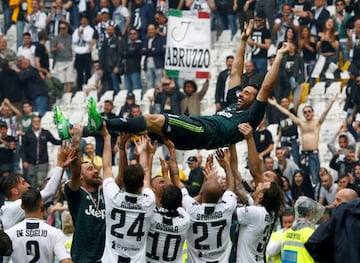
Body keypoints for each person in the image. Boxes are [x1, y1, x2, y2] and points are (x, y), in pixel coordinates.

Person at [58, 21, 290, 152]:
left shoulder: (250, 115)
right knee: (141, 129)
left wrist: (278, 56)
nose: (241, 94)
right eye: (242, 91)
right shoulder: (233, 102)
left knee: (153, 119)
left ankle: (103, 122)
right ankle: (73, 130)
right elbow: (235, 72)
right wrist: (242, 41)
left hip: (205, 131)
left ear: (255, 99)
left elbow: (267, 87)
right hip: (197, 137)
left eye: (247, 93)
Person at [171, 146, 237, 263]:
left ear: (202, 194)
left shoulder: (192, 209)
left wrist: (171, 149)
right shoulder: (227, 208)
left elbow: (177, 181)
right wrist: (227, 166)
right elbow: (231, 187)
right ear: (220, 195)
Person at [101, 128, 155, 262]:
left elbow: (107, 167)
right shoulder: (148, 202)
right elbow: (147, 174)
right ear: (141, 185)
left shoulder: (113, 196)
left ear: (122, 181)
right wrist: (143, 151)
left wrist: (108, 138)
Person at [267, 94, 338, 185]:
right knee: (304, 179)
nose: (307, 113)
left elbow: (325, 113)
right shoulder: (301, 123)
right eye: (305, 112)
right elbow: (288, 113)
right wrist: (275, 104)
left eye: (309, 111)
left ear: (312, 113)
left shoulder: (317, 123)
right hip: (303, 155)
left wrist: (331, 102)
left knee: (315, 178)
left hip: (313, 154)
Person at [0, 145, 75, 230]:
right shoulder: (15, 206)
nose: (28, 185)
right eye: (23, 183)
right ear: (14, 191)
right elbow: (48, 192)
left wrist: (62, 168)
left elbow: (50, 194)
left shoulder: (10, 207)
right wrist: (60, 164)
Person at [65, 124, 106, 262]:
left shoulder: (104, 194)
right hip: (81, 258)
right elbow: (75, 170)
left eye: (94, 168)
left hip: (104, 258)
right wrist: (76, 140)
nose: (95, 171)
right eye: (90, 169)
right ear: (81, 177)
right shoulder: (76, 194)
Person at [4, 189, 72, 263]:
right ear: (41, 205)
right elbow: (65, 260)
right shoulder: (54, 233)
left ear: (22, 206)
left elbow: (5, 261)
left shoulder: (9, 233)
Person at [305, 198, 360, 263]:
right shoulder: (341, 214)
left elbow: (314, 242)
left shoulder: (341, 212)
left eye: (339, 200)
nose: (334, 203)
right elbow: (314, 242)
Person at [21, 116, 62, 189]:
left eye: (38, 121)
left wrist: (64, 139)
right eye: (34, 121)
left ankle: (41, 199)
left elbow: (55, 141)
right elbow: (23, 148)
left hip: (43, 162)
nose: (36, 123)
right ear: (32, 123)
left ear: (40, 122)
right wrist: (24, 161)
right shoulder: (27, 133)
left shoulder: (45, 132)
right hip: (30, 163)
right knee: (32, 184)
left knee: (41, 184)